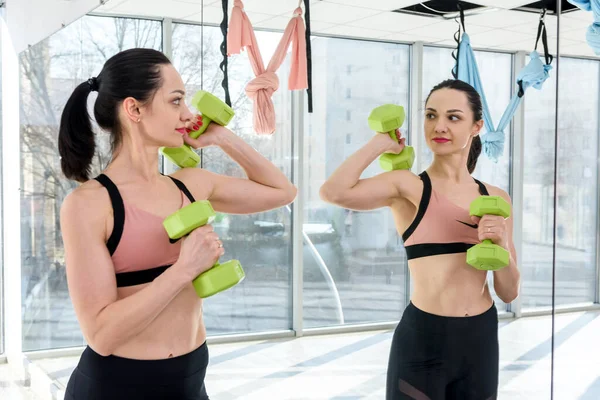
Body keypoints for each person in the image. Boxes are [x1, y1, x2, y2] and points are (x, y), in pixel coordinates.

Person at [58, 48, 297, 400]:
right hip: (118, 386)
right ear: (134, 109)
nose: (188, 114)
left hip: (190, 378)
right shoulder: (89, 204)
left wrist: (221, 137)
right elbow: (101, 335)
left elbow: (283, 191)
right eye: (175, 101)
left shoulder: (191, 183)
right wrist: (184, 269)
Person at [319, 79, 520, 400]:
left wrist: (500, 246)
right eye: (430, 115)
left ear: (476, 126)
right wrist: (379, 144)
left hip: (480, 339)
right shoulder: (407, 186)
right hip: (424, 339)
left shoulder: (495, 197)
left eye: (453, 117)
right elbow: (333, 192)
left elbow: (509, 290)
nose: (439, 125)